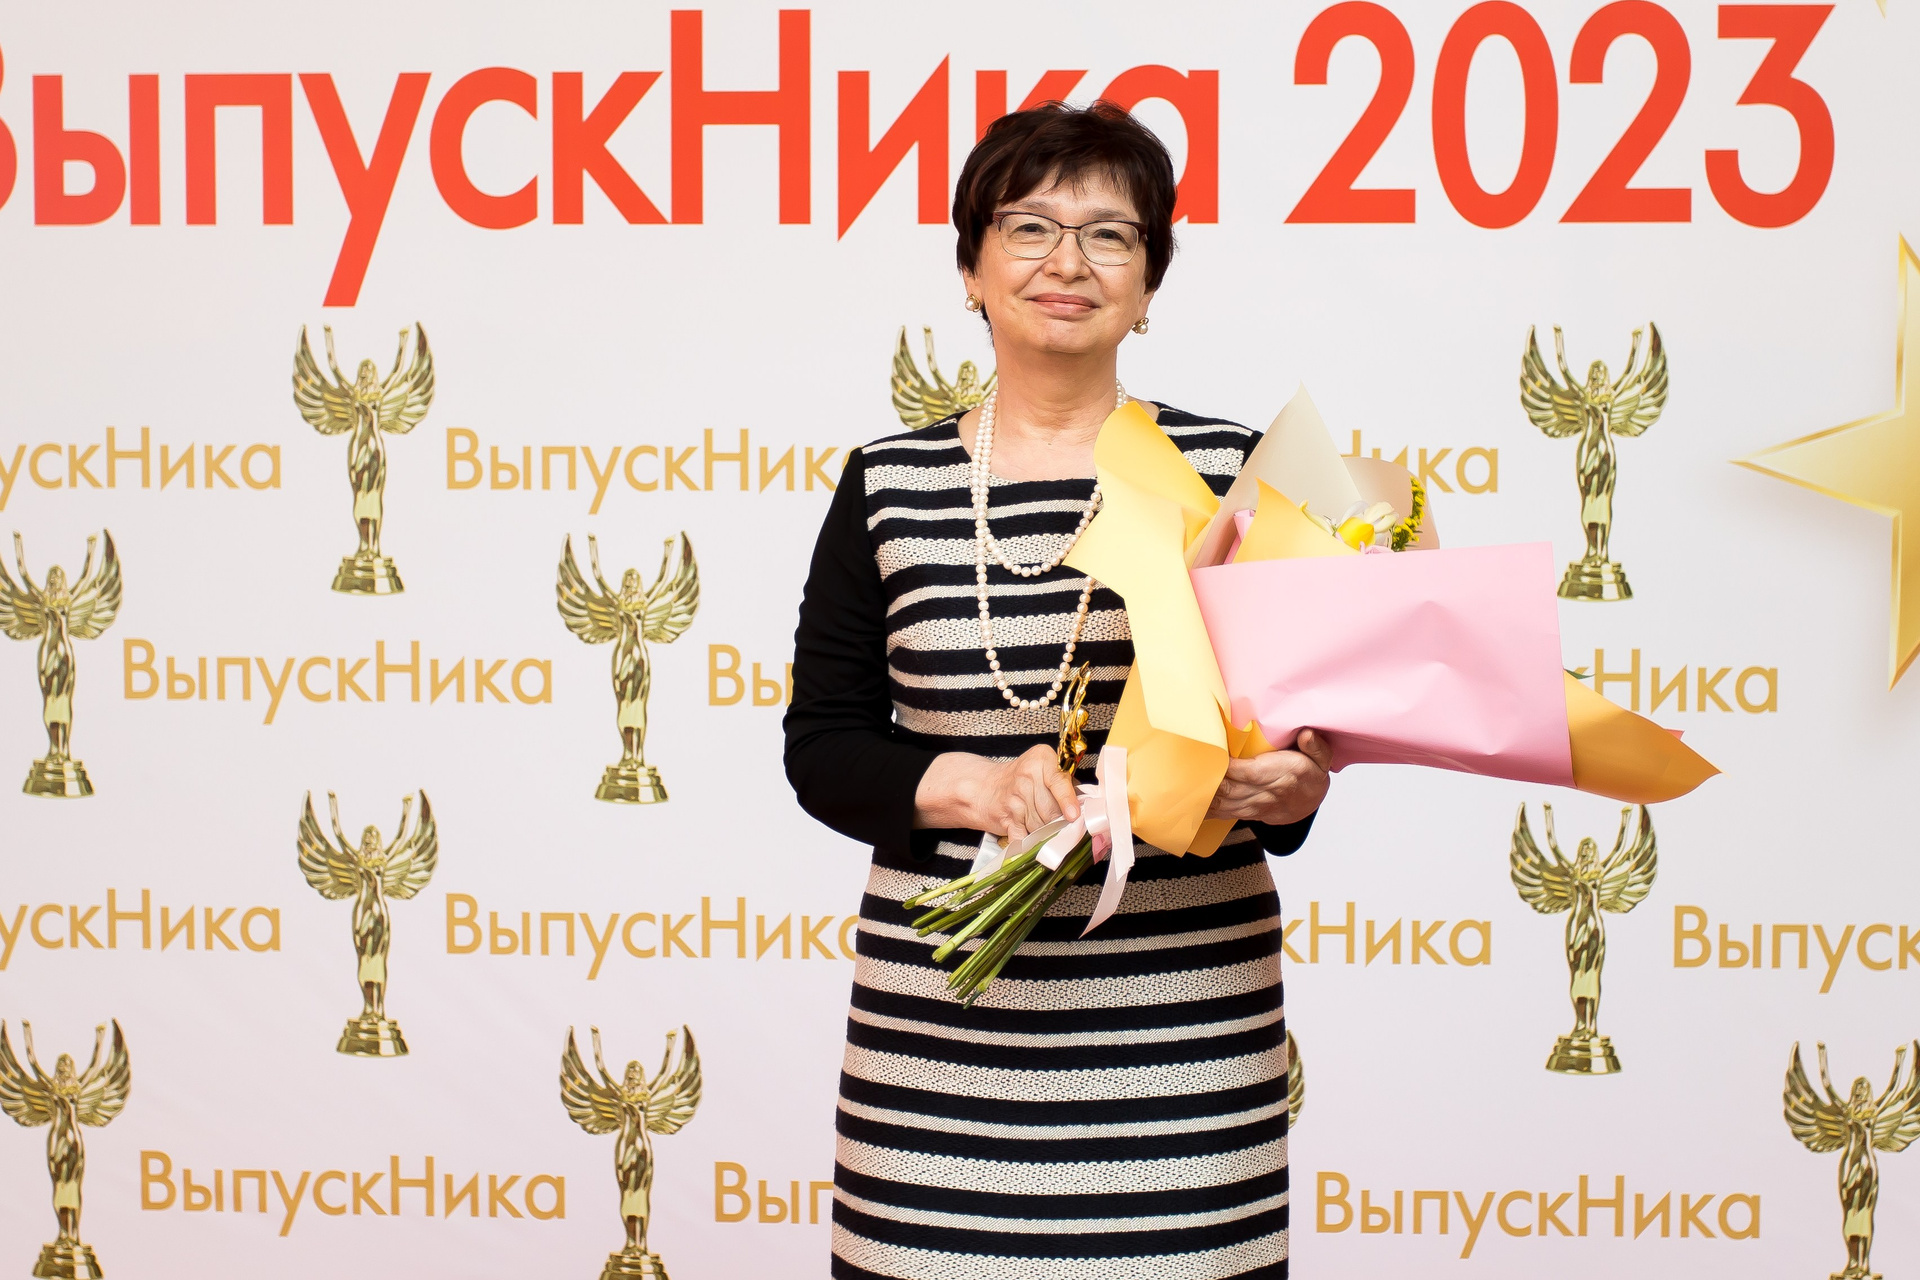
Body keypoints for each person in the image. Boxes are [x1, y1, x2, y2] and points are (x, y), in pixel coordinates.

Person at [785, 101, 1330, 1280]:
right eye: (1029, 227)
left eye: (1110, 234)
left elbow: (1291, 737)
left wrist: (1293, 788)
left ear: (1149, 282)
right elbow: (822, 746)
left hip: (1182, 1034)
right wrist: (975, 786)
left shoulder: (1231, 477)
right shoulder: (886, 483)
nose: (1067, 262)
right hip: (941, 1043)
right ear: (971, 268)